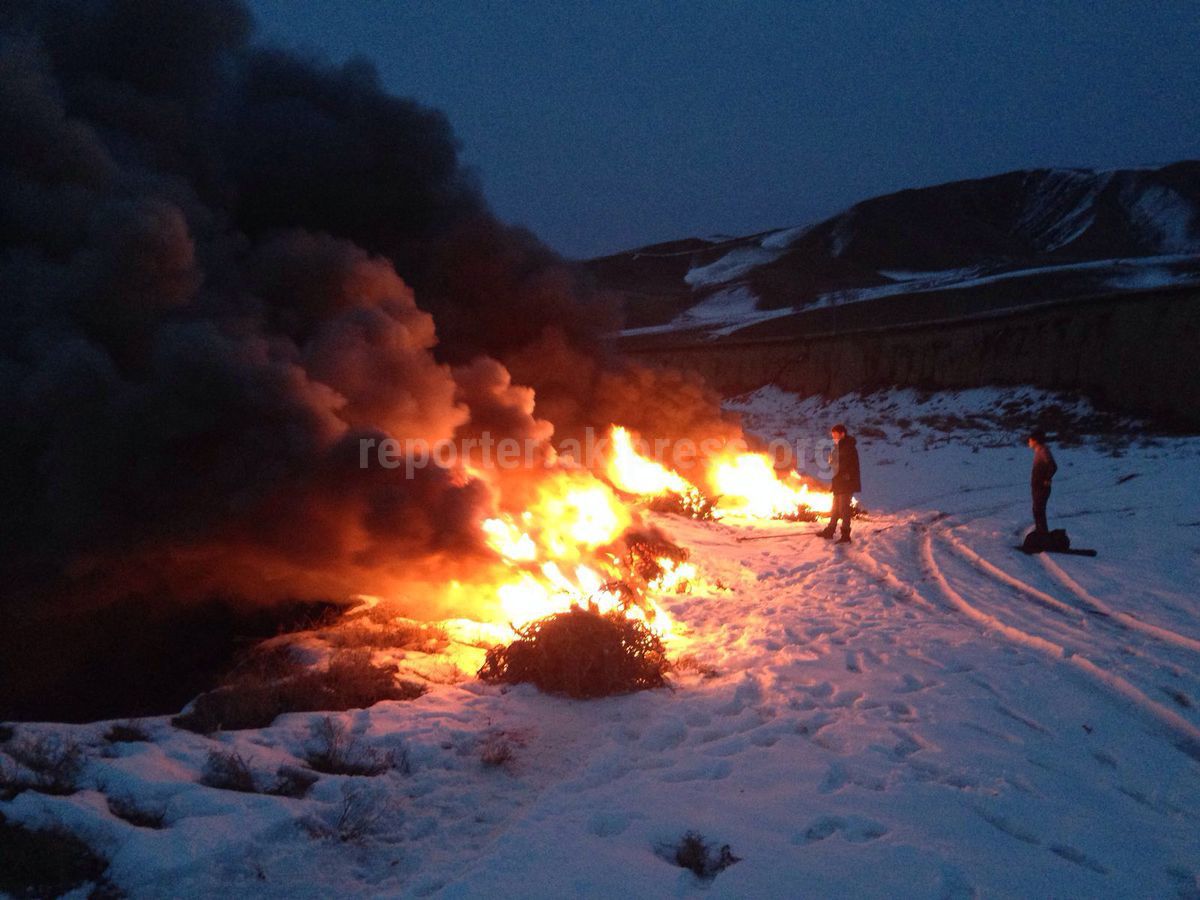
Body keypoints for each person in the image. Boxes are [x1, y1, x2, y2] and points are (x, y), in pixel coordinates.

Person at [819, 423, 861, 544]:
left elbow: (851, 465)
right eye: (833, 435)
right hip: (838, 482)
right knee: (835, 508)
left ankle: (845, 535)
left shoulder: (849, 447)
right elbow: (834, 462)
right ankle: (830, 530)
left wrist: (846, 475)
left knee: (844, 509)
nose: (834, 437)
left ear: (842, 434)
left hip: (846, 483)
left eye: (836, 435)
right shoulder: (838, 446)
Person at [1027, 430, 1057, 534]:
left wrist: (1047, 479)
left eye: (1030, 440)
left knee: (1038, 510)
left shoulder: (1043, 451)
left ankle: (1042, 534)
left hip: (1041, 487)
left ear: (1035, 441)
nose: (1029, 442)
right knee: (1037, 510)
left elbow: (1053, 466)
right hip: (1037, 486)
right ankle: (1041, 533)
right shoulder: (1039, 451)